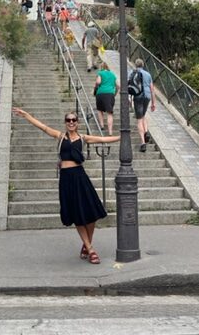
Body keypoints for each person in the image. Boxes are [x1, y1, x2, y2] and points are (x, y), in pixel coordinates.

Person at [12, 107, 119, 263]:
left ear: (77, 123)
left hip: (80, 177)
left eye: (73, 120)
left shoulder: (83, 138)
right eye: (68, 120)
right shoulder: (60, 136)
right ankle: (90, 249)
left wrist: (122, 137)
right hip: (67, 179)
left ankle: (86, 243)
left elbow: (102, 140)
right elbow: (42, 127)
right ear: (65, 123)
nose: (71, 122)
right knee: (77, 214)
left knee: (92, 212)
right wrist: (26, 115)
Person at [129, 58, 156, 152]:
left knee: (139, 119)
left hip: (138, 97)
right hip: (147, 96)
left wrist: (129, 98)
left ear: (135, 65)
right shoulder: (148, 74)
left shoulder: (132, 72)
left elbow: (129, 85)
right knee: (144, 115)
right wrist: (153, 102)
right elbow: (152, 89)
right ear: (143, 65)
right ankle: (146, 131)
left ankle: (143, 142)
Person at [94, 61, 118, 135]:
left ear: (101, 67)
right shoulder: (113, 75)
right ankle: (110, 132)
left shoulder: (100, 73)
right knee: (109, 113)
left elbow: (98, 82)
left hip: (100, 93)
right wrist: (115, 93)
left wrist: (95, 88)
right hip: (110, 94)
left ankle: (102, 125)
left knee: (99, 109)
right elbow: (118, 85)